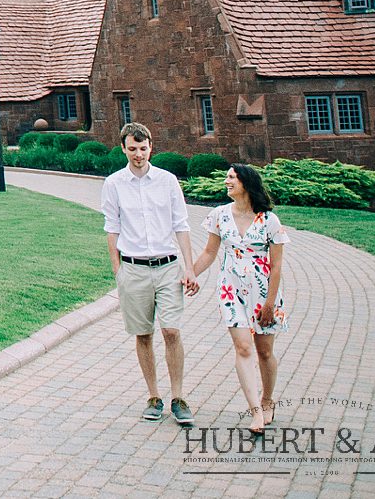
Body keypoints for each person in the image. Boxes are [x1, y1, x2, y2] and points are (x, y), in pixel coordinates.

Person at [101, 122, 199, 426]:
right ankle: (154, 396)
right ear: (123, 148)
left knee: (171, 330)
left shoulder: (168, 181)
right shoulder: (114, 184)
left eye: (143, 148)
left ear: (151, 147)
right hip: (134, 269)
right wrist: (118, 271)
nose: (139, 154)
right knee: (144, 334)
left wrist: (190, 268)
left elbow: (181, 226)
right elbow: (112, 229)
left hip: (168, 266)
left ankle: (179, 398)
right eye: (133, 149)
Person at [187, 163, 287, 436]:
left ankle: (268, 400)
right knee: (243, 348)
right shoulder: (219, 215)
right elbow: (209, 253)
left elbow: (276, 266)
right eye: (227, 177)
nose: (226, 181)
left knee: (264, 351)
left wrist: (269, 303)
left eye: (232, 177)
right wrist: (189, 274)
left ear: (246, 182)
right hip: (231, 290)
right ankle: (255, 410)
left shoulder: (269, 221)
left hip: (263, 292)